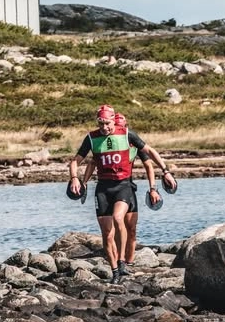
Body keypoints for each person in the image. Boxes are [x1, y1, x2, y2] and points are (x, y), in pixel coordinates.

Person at [69, 105, 172, 283]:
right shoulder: (91, 138)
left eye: (107, 123)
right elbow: (76, 161)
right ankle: (115, 271)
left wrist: (165, 171)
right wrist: (75, 179)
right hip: (103, 188)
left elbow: (150, 153)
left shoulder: (126, 134)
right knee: (106, 234)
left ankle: (123, 261)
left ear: (113, 120)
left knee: (119, 219)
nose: (104, 127)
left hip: (124, 185)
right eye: (101, 124)